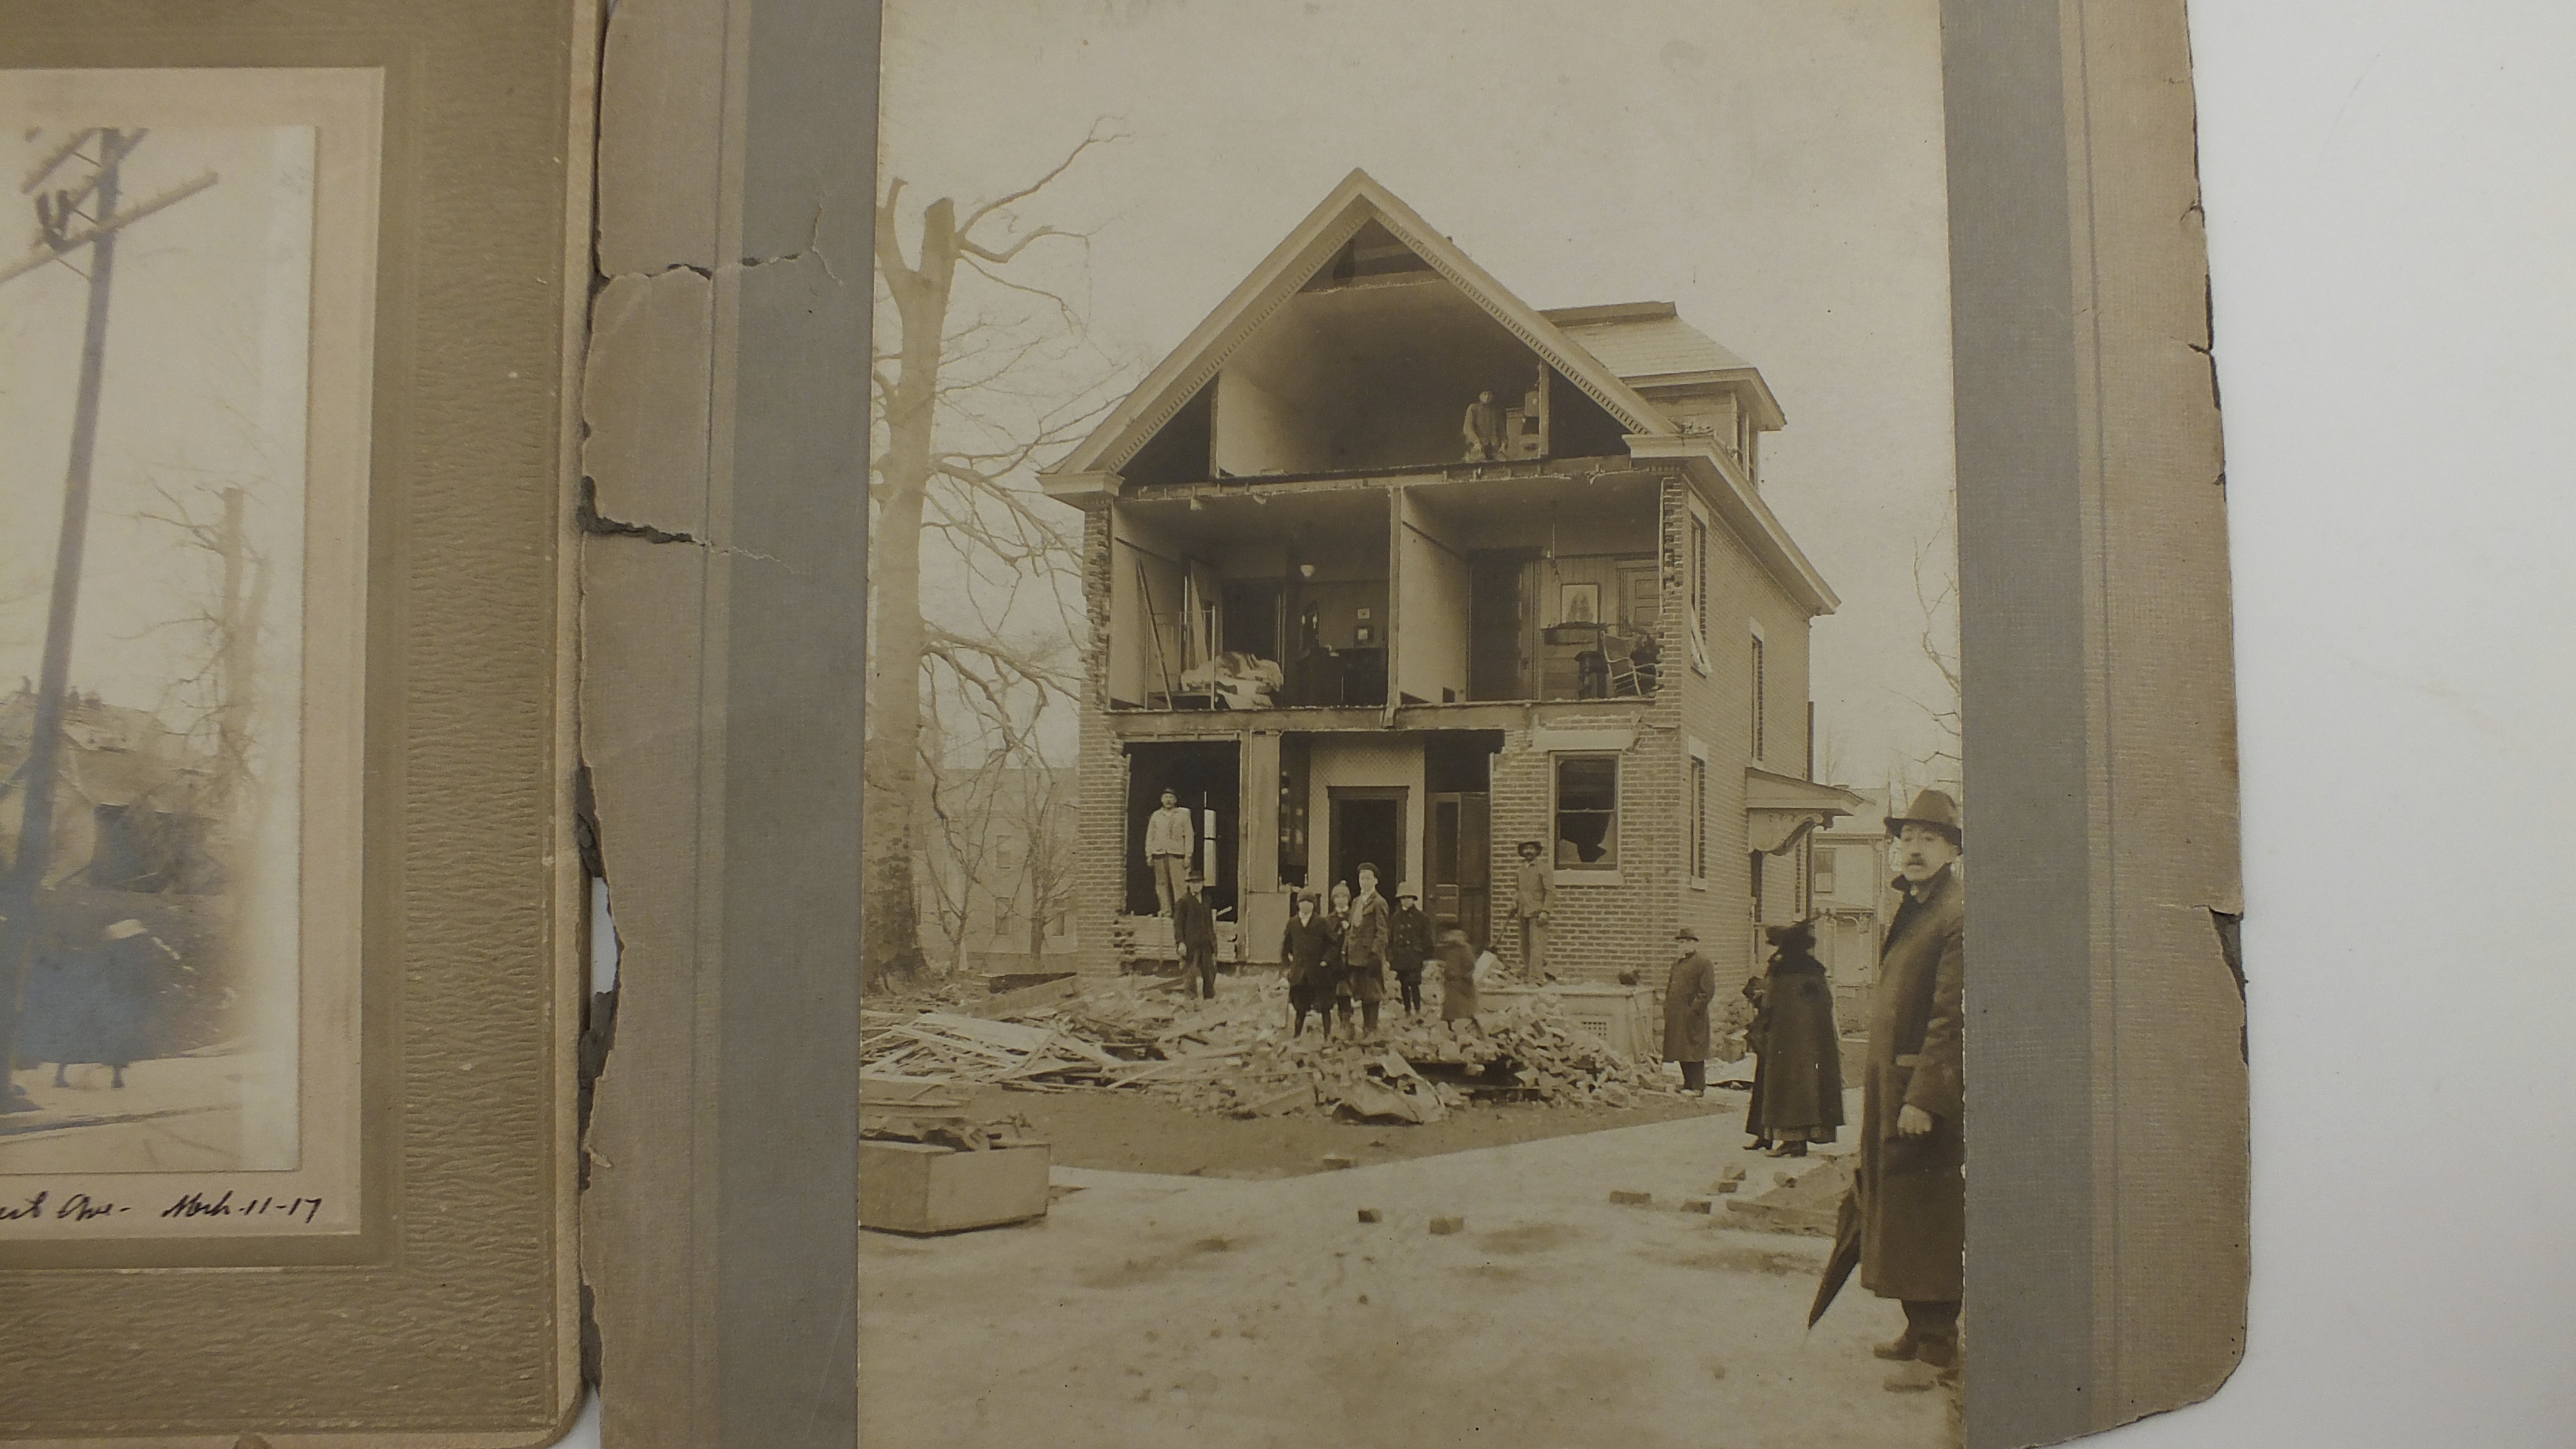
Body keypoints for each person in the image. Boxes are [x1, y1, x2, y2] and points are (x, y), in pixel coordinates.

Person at [1860, 789, 1968, 1393]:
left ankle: (1938, 1348)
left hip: (1923, 1094)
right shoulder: (1915, 906)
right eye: (1908, 838)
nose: (1915, 849)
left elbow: (1951, 1017)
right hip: (1894, 1086)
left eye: (1930, 839)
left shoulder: (1956, 913)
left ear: (1952, 850)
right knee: (1902, 1211)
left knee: (1928, 1215)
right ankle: (1916, 1326)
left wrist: (1924, 1097)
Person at [1745, 917, 1844, 1156]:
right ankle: (1770, 1135)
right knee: (1805, 1085)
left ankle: (1792, 1141)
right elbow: (1825, 1004)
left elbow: (1769, 1005)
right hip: (1813, 1044)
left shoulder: (1781, 972)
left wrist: (1757, 1001)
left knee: (1784, 1086)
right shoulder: (1816, 971)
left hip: (1783, 1042)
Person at [1660, 926, 1716, 1095]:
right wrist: (1668, 1007)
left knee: (1694, 1051)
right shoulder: (1677, 965)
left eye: (1687, 942)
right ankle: (1688, 1084)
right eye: (1681, 942)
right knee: (1681, 1050)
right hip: (1677, 1016)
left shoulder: (1703, 963)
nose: (1684, 945)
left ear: (1694, 943)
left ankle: (1698, 1087)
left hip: (1693, 1016)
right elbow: (1671, 987)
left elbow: (1707, 991)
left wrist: (1694, 1010)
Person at [1280, 891, 1338, 1039]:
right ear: (1298, 904)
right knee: (1300, 1007)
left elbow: (1333, 945)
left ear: (1314, 905)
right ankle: (1297, 1036)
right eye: (1302, 902)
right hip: (1299, 974)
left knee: (1324, 1006)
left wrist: (1326, 960)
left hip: (1319, 972)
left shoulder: (1322, 922)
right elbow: (1285, 948)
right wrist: (1289, 966)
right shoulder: (1293, 923)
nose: (1306, 905)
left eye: (1309, 902)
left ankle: (1327, 1036)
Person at [1144, 788, 1195, 916]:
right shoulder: (1156, 816)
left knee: (1179, 884)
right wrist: (1149, 854)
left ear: (1176, 800)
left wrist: (1188, 855)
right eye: (1166, 797)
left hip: (1177, 855)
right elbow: (1150, 836)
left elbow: (1189, 836)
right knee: (1161, 884)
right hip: (1159, 855)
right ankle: (1166, 911)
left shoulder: (1183, 816)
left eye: (1171, 798)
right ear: (1162, 800)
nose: (1168, 800)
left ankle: (1180, 913)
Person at [1387, 889, 1432, 1017]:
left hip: (1415, 956)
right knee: (1404, 984)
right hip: (1400, 956)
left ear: (1414, 899)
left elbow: (1427, 939)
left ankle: (1417, 1009)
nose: (1406, 901)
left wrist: (1426, 957)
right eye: (1403, 898)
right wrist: (1390, 956)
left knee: (1414, 983)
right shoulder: (1395, 918)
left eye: (1409, 898)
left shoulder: (1422, 918)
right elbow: (1390, 938)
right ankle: (1407, 1010)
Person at [1511, 840, 1551, 982]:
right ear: (1522, 852)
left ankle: (1537, 978)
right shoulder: (1521, 869)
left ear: (1537, 851)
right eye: (1526, 849)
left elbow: (1551, 892)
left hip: (1537, 913)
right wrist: (1515, 903)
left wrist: (1546, 911)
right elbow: (1518, 890)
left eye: (1532, 849)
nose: (1529, 852)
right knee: (1525, 946)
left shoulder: (1543, 869)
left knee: (1537, 946)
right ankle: (1528, 974)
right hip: (1523, 912)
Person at [1173, 878, 1219, 1000]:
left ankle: (1209, 997)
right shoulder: (1183, 902)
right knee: (1190, 972)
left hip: (1206, 943)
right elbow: (1178, 925)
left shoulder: (1206, 901)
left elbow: (1209, 924)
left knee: (1210, 971)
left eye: (1198, 883)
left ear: (1203, 884)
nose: (1196, 886)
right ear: (1189, 885)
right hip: (1191, 944)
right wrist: (1180, 942)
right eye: (1193, 883)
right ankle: (1190, 998)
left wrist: (1213, 943)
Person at [1433, 919, 1480, 1031]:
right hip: (1451, 983)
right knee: (1450, 1009)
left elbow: (1470, 964)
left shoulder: (1463, 948)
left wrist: (1462, 975)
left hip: (1461, 984)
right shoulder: (1448, 948)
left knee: (1461, 1010)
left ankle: (1462, 1028)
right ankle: (1451, 1027)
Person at [1461, 389, 1500, 461]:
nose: (1487, 397)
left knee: (1502, 460)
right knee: (1480, 458)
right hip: (1476, 446)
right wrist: (1476, 442)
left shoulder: (1494, 411)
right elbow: (1468, 428)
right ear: (1480, 395)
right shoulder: (1473, 408)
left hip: (1493, 446)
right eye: (1485, 394)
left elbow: (1501, 429)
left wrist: (1503, 444)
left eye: (1490, 394)